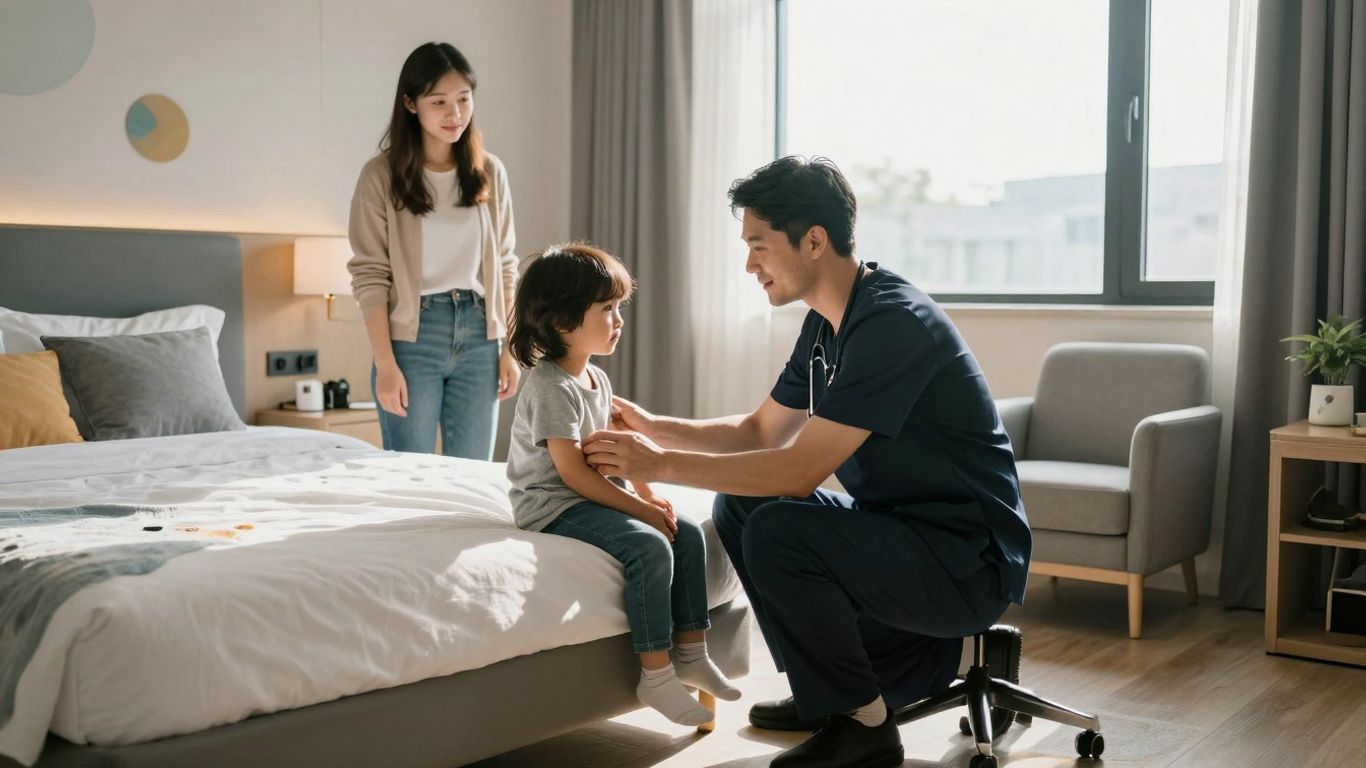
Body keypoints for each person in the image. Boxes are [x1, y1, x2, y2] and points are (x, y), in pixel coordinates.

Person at [582, 156, 1031, 768]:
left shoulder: (892, 324)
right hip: (905, 534)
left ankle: (866, 728)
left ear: (813, 241)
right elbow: (759, 429)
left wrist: (658, 464)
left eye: (759, 245)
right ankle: (833, 696)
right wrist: (656, 429)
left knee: (779, 528)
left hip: (966, 557)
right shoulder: (828, 326)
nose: (749, 264)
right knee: (743, 506)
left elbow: (796, 471)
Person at [504, 243, 742, 727]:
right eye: (607, 309)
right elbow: (571, 474)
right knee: (650, 548)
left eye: (619, 309)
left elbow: (619, 447)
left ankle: (692, 651)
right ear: (562, 322)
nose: (619, 320)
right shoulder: (550, 386)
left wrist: (648, 493)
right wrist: (640, 513)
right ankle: (654, 676)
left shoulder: (596, 377)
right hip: (552, 505)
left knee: (689, 532)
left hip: (586, 495)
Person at [347, 42, 520, 458]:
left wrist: (510, 349)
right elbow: (370, 275)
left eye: (463, 99)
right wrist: (385, 364)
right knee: (412, 474)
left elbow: (506, 266)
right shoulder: (380, 177)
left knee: (473, 477)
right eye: (438, 101)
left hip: (481, 336)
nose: (454, 113)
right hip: (413, 339)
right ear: (411, 104)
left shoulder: (489, 172)